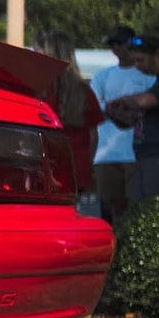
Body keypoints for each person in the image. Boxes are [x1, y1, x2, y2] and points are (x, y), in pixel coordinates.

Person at [89, 24, 154, 223]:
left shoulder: (148, 75)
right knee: (108, 207)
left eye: (118, 43)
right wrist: (112, 108)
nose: (115, 48)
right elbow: (91, 105)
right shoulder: (103, 75)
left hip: (137, 152)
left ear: (130, 43)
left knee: (137, 207)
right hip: (106, 154)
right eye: (111, 44)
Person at [107, 34, 159, 201]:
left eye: (140, 60)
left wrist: (119, 101)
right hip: (149, 158)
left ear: (158, 54)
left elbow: (145, 101)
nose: (137, 66)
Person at [34, 31, 104, 195]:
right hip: (76, 170)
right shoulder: (83, 92)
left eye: (37, 51)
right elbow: (93, 136)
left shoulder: (38, 91)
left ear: (50, 54)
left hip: (44, 169)